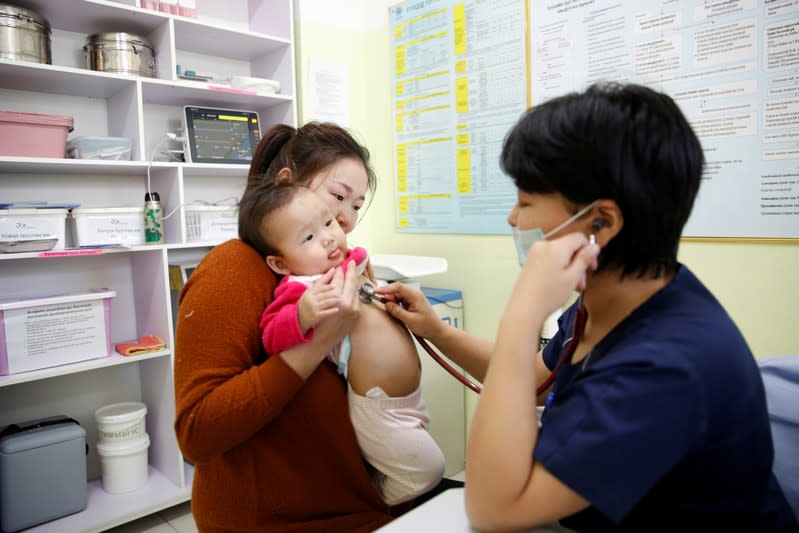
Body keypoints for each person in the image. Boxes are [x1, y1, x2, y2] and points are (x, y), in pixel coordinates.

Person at [376, 82, 799, 532]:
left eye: (526, 201)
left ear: (602, 222)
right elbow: (537, 382)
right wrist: (438, 331)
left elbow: (494, 508)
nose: (513, 219)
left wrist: (524, 312)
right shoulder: (616, 302)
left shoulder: (666, 365)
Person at [173, 122, 422, 533]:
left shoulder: (342, 264)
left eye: (357, 206)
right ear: (287, 186)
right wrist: (315, 343)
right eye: (338, 197)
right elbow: (197, 433)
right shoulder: (233, 269)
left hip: (366, 501)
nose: (345, 220)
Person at [238, 180, 444, 505]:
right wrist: (303, 315)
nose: (328, 236)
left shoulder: (344, 261)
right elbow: (270, 334)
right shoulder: (300, 288)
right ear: (280, 263)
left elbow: (359, 263)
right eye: (308, 237)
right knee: (428, 470)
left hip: (408, 400)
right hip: (377, 407)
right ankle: (370, 503)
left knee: (419, 463)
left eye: (328, 222)